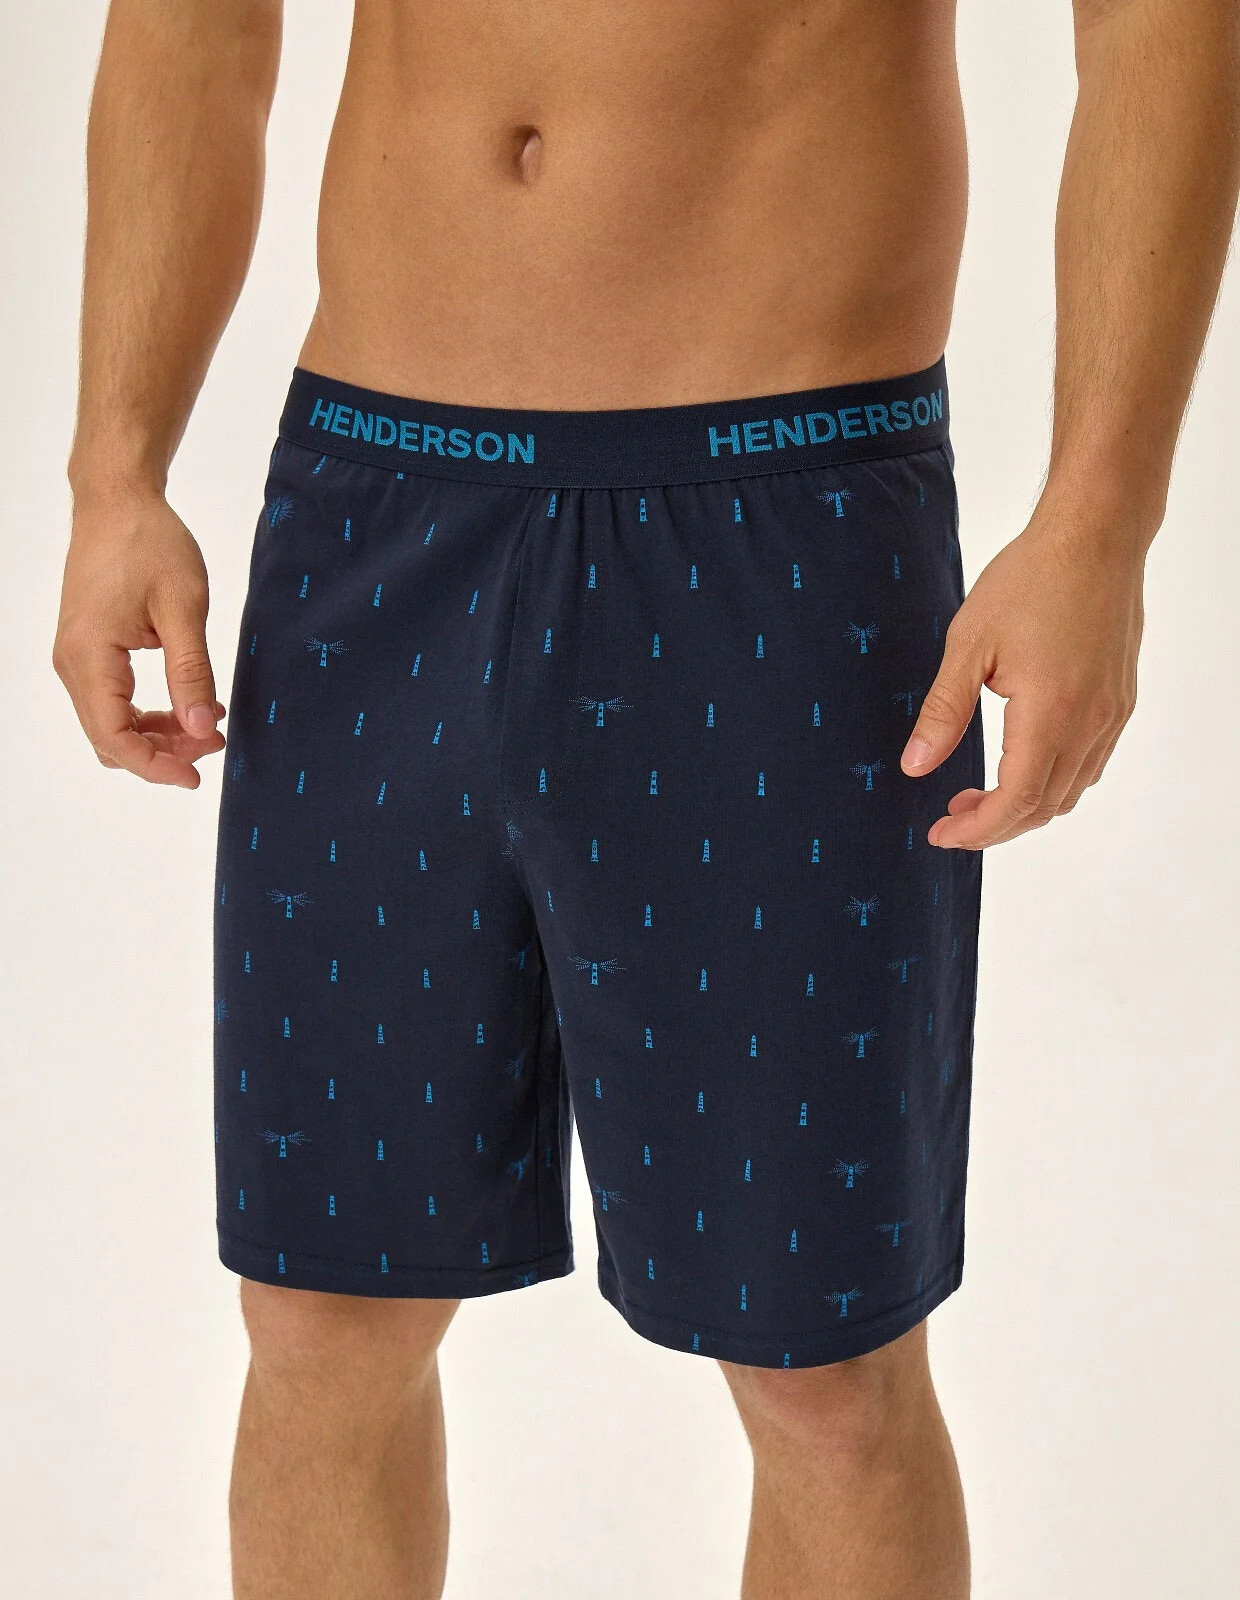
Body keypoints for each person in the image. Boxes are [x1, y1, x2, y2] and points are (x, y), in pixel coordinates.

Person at [51, 0, 1240, 1595]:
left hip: (781, 518)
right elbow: (194, 28)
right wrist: (115, 471)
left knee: (825, 1377)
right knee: (322, 1320)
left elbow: (1161, 27)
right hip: (375, 505)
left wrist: (1101, 518)